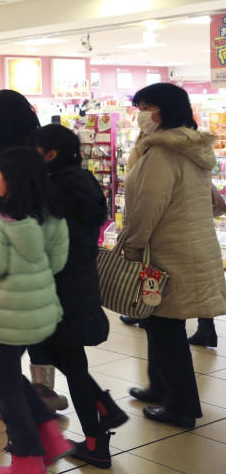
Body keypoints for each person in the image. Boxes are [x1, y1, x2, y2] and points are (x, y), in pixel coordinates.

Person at [0, 147, 72, 474]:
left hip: (1, 317)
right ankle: (49, 437)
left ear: (10, 180)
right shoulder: (52, 214)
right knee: (10, 378)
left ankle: (27, 460)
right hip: (36, 313)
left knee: (4, 387)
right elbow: (55, 263)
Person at [123, 83, 226, 428]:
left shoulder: (163, 153)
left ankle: (180, 406)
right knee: (160, 324)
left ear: (161, 111)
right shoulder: (193, 150)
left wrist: (132, 245)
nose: (141, 115)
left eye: (145, 107)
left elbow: (146, 207)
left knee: (164, 327)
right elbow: (215, 202)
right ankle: (159, 387)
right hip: (193, 248)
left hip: (168, 254)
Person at [26, 125, 128, 468]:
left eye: (36, 149)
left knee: (60, 353)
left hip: (58, 284)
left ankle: (99, 431)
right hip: (81, 278)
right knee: (66, 356)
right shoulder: (84, 182)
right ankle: (102, 420)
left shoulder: (53, 189)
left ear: (51, 154)